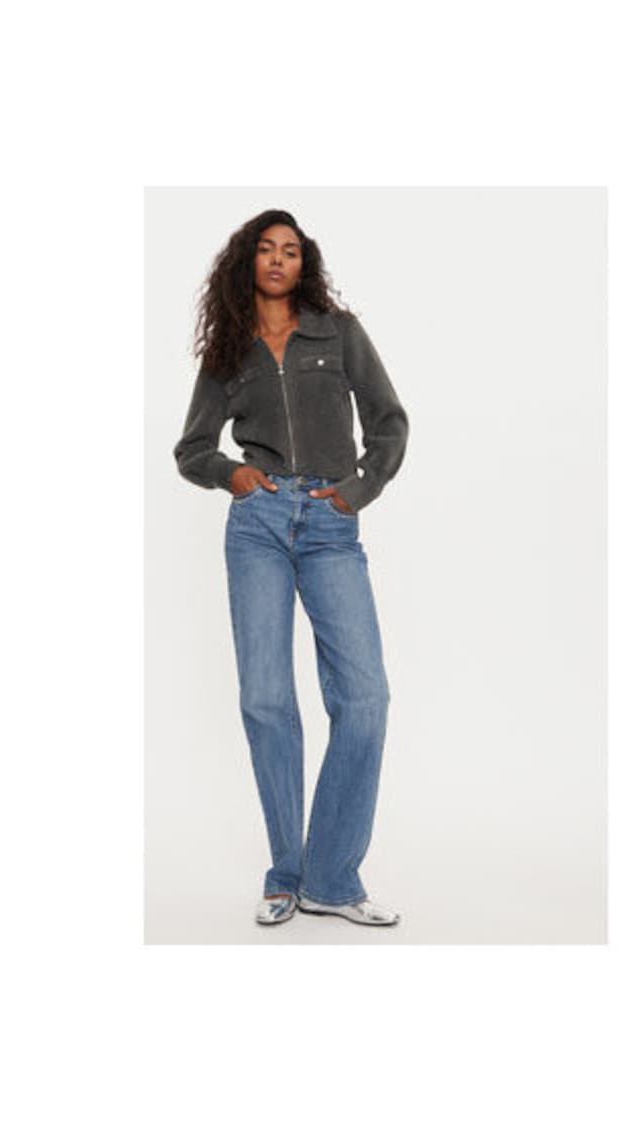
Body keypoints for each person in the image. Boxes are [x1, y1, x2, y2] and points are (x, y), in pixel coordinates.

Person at [173, 209, 409, 927]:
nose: (279, 259)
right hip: (259, 524)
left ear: (305, 265)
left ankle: (331, 879)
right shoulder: (228, 351)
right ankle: (287, 873)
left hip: (331, 524)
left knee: (364, 699)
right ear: (248, 260)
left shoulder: (338, 332)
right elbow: (192, 449)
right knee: (266, 700)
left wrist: (358, 490)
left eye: (292, 251)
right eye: (267, 249)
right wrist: (232, 474)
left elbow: (389, 421)